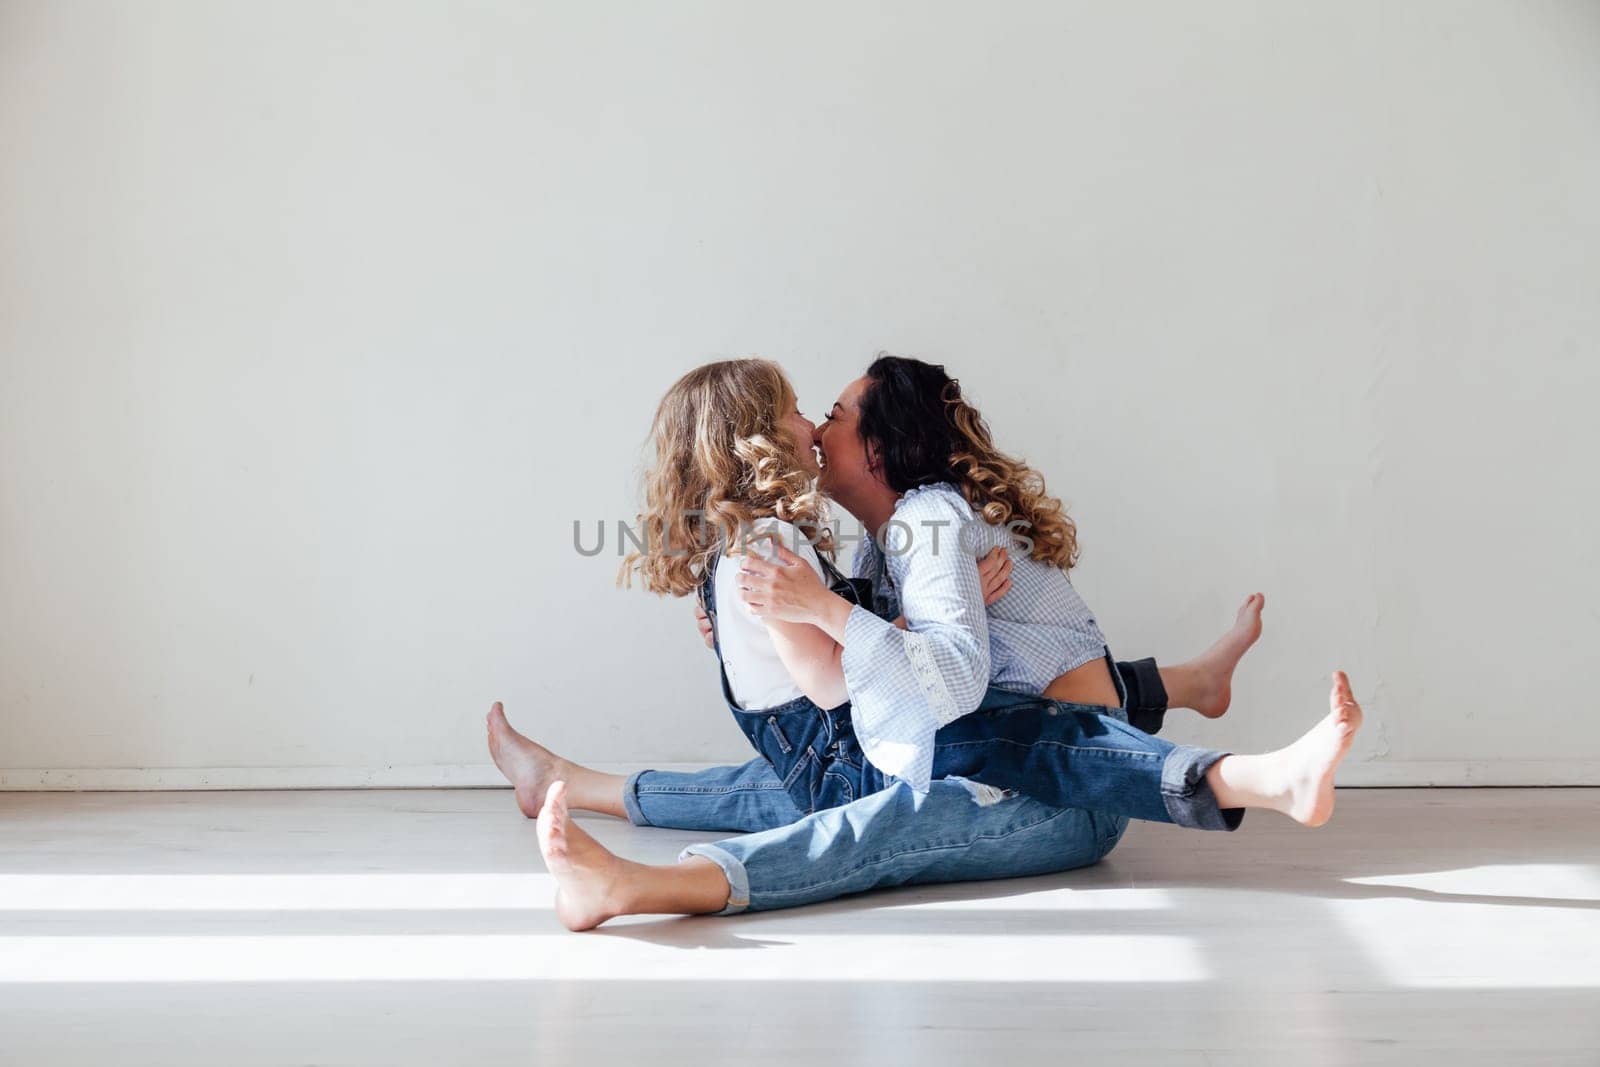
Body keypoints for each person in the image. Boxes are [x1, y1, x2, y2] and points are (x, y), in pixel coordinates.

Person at [488, 357, 1362, 929]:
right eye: (804, 410)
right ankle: (570, 785)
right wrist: (825, 617)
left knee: (873, 817)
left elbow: (946, 681)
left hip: (1058, 786)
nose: (815, 425)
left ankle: (650, 883)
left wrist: (848, 618)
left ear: (874, 445)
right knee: (782, 783)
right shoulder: (872, 546)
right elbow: (891, 669)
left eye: (829, 411)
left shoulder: (925, 523)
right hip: (1002, 749)